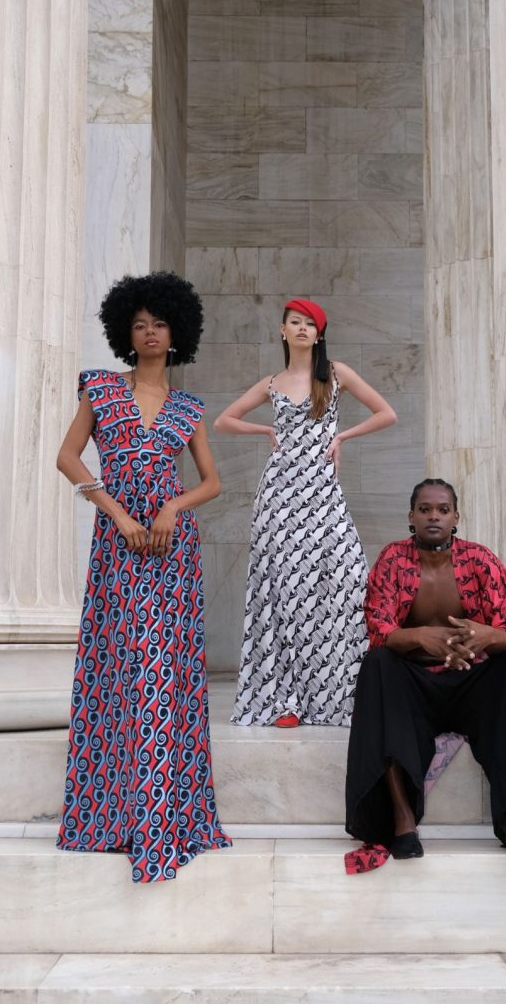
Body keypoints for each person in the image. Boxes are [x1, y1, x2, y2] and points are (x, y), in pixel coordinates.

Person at [56, 271, 231, 882]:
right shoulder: (101, 389)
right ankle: (112, 818)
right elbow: (67, 457)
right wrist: (117, 513)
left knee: (164, 673)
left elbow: (211, 482)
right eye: (139, 324)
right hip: (118, 547)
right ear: (124, 333)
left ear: (176, 332)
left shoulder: (188, 408)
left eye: (159, 323)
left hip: (172, 554)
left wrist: (171, 507)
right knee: (118, 671)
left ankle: (163, 821)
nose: (150, 332)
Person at [346, 478, 506, 870]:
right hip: (415, 686)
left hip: (471, 684)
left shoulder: (479, 560)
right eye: (425, 509)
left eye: (442, 510)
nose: (434, 516)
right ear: (411, 516)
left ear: (456, 517)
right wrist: (420, 637)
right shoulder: (393, 559)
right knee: (377, 664)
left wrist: (484, 636)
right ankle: (403, 821)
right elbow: (379, 628)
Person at [215, 298, 397, 727]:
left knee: (345, 581)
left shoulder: (335, 374)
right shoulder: (272, 383)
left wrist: (342, 437)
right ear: (282, 330)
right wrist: (264, 428)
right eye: (294, 322)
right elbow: (223, 421)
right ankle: (285, 700)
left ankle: (339, 695)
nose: (302, 328)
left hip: (322, 494)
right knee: (281, 592)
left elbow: (386, 413)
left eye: (309, 324)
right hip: (278, 496)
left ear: (319, 334)